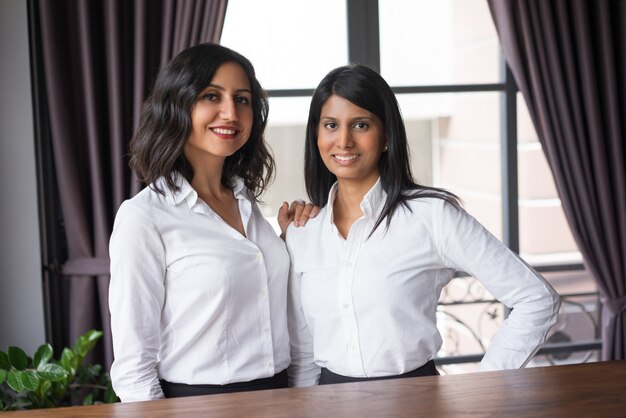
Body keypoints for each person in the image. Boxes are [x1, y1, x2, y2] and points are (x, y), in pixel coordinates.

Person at [285, 64, 561, 387]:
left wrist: (483, 387)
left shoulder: (432, 217)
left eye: (360, 124)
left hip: (417, 401)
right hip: (327, 404)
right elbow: (303, 354)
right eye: (331, 125)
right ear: (316, 136)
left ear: (386, 136)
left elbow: (537, 298)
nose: (343, 140)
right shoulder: (302, 232)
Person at [109, 43, 314, 402]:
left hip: (281, 397)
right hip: (197, 403)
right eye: (211, 96)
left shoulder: (248, 205)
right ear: (177, 106)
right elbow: (133, 367)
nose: (230, 113)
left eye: (242, 99)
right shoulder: (144, 218)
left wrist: (287, 241)